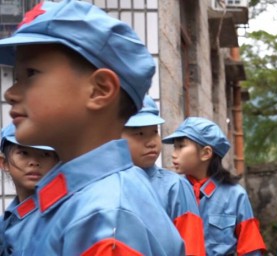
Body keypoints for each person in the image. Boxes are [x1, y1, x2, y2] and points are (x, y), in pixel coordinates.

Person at [0, 1, 184, 254]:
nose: (10, 93)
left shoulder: (106, 216)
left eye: (30, 74)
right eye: (16, 78)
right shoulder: (70, 197)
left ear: (100, 90)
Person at [163, 117, 267, 255]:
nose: (173, 154)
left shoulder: (235, 196)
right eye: (174, 147)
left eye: (181, 146)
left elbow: (250, 248)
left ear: (206, 153)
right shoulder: (171, 192)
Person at [122, 95, 205, 255]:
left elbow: (192, 248)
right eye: (139, 134)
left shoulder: (175, 187)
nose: (151, 142)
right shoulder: (107, 185)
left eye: (154, 132)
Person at [0, 124, 58, 255]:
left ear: (57, 162)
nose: (34, 162)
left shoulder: (60, 214)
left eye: (45, 154)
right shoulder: (7, 219)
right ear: (3, 163)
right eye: (24, 153)